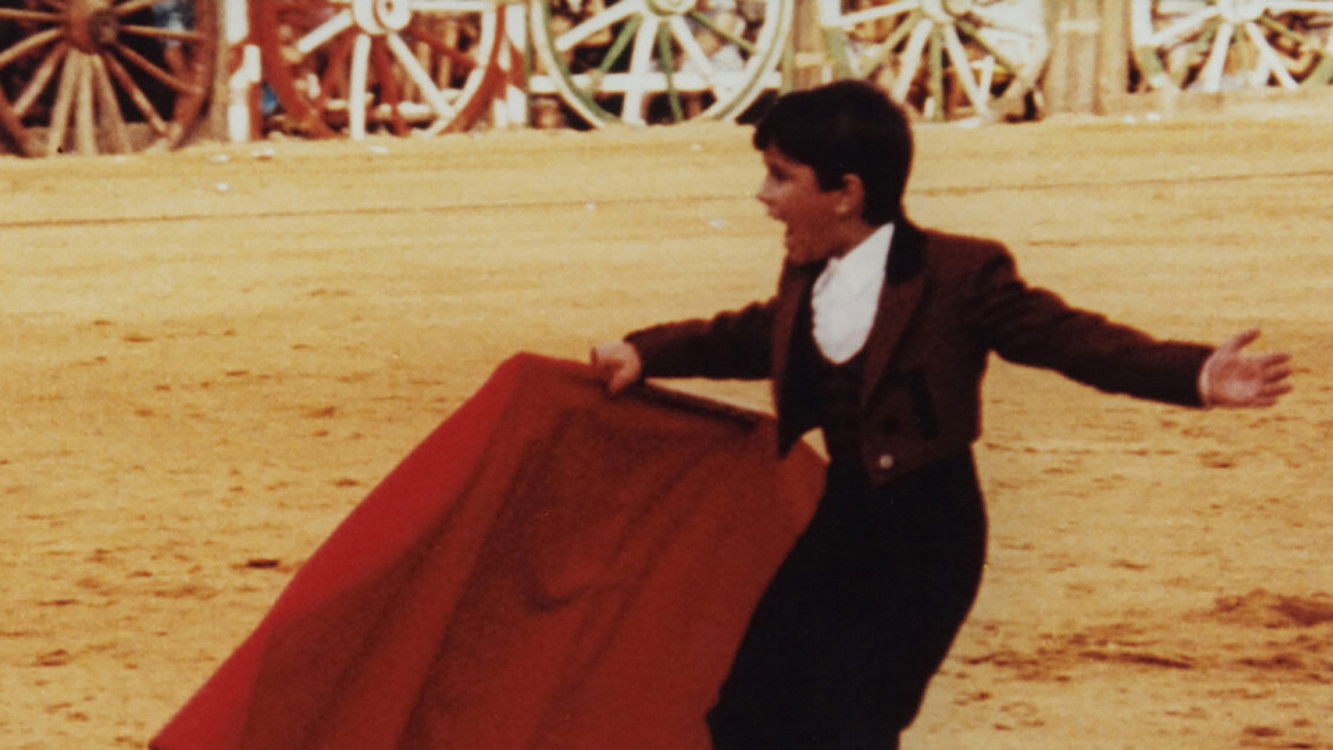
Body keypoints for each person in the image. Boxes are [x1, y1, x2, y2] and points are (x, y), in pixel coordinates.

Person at [589, 79, 1293, 749]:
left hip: (928, 537)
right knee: (748, 712)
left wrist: (1192, 372)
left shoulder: (958, 274)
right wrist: (645, 352)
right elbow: (753, 334)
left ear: (845, 193)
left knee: (854, 725)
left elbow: (1068, 340)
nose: (763, 196)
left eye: (780, 176)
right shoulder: (809, 274)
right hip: (843, 520)